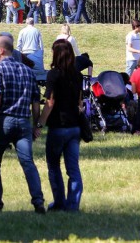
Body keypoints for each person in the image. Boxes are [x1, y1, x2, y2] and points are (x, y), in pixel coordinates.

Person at [0, 36, 45, 213]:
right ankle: (38, 201)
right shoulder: (28, 72)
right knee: (28, 162)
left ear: (2, 50)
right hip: (23, 123)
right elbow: (35, 102)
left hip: (4, 121)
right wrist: (36, 125)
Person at [37, 40, 83, 211]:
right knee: (73, 168)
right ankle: (73, 205)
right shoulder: (77, 75)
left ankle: (59, 202)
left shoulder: (53, 75)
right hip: (74, 127)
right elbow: (80, 102)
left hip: (58, 126)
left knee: (54, 165)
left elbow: (50, 102)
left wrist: (39, 124)